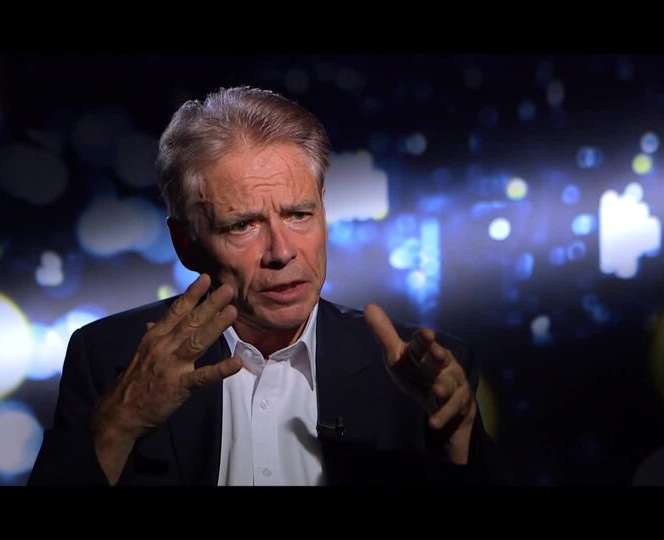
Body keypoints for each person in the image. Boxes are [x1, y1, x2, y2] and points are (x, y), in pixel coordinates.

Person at [28, 85, 501, 486]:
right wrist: (118, 426)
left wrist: (458, 443)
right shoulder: (107, 360)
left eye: (299, 214)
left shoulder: (423, 376)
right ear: (186, 244)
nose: (281, 251)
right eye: (243, 225)